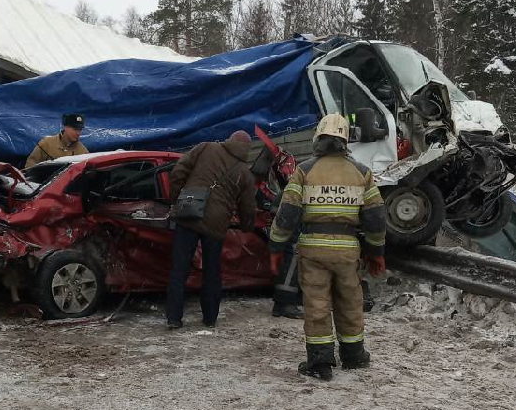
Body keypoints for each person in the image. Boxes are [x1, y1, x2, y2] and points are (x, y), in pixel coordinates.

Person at [267, 114, 387, 381]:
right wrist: (376, 253)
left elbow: (287, 214)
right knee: (350, 302)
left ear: (318, 138)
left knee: (317, 303)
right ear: (345, 140)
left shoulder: (304, 171)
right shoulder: (362, 173)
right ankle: (354, 356)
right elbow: (376, 218)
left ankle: (320, 362)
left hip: (313, 250)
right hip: (347, 251)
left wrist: (276, 247)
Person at [165, 130, 257, 329]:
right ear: (247, 149)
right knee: (212, 272)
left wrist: (176, 200)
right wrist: (246, 226)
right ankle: (209, 318)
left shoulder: (206, 147)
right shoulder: (245, 173)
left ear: (229, 139)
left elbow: (178, 171)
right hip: (216, 224)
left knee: (179, 269)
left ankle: (173, 318)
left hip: (188, 213)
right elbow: (248, 208)